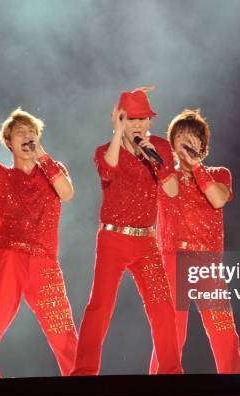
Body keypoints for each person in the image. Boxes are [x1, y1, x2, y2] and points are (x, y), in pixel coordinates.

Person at [71, 89, 183, 375]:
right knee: (100, 305)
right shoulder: (105, 150)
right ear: (119, 119)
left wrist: (156, 159)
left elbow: (172, 191)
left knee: (162, 306)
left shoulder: (159, 147)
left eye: (142, 119)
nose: (137, 124)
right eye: (130, 119)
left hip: (146, 241)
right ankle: (84, 372)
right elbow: (107, 171)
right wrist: (117, 134)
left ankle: (171, 373)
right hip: (113, 238)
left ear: (150, 122)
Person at [0, 107, 77, 378]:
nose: (27, 137)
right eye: (20, 133)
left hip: (45, 263)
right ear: (10, 143)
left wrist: (42, 156)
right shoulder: (1, 177)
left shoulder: (52, 170)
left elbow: (67, 193)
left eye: (31, 132)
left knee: (63, 332)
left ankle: (85, 393)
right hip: (9, 259)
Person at [149, 109, 240, 374]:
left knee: (224, 331)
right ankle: (157, 393)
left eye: (194, 137)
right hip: (171, 259)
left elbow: (218, 199)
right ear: (172, 144)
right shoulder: (164, 176)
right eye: (181, 137)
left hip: (207, 262)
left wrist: (197, 167)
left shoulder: (219, 173)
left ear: (203, 145)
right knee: (171, 333)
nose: (188, 142)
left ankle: (235, 393)